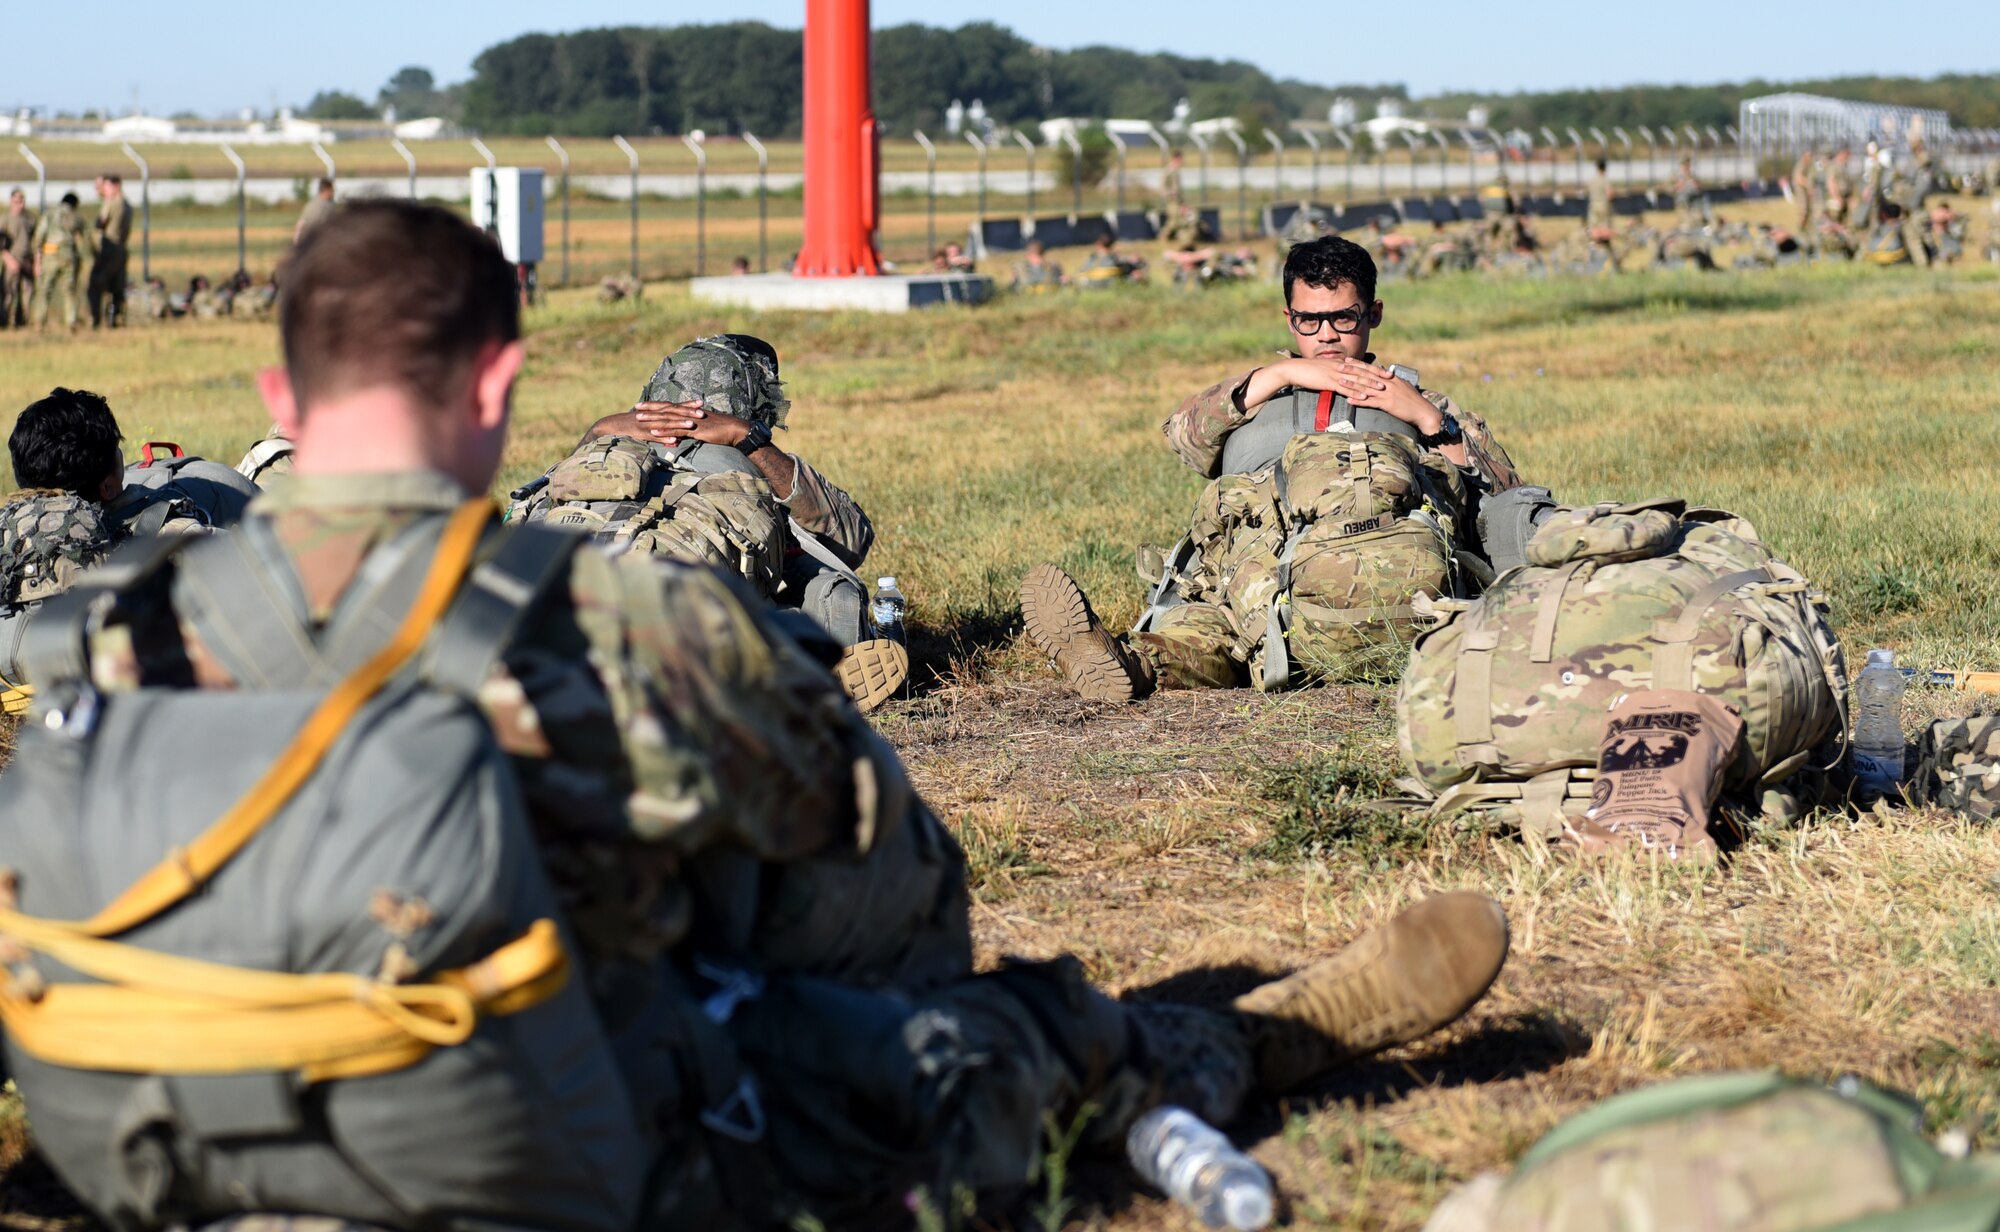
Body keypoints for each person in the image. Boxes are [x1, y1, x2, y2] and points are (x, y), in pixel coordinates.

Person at [0, 199, 1514, 1231]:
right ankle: (1204, 1050)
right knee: (921, 1029)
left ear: (279, 388)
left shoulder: (84, 639)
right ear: (501, 386)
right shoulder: (592, 619)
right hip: (519, 1156)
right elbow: (870, 862)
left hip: (156, 1141)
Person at [1020, 234, 1521, 702]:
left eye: (1344, 318)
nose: (1327, 336)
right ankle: (1129, 664)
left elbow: (1499, 498)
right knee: (1206, 631)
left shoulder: (1422, 403)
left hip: (1398, 593)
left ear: (1374, 313)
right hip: (1260, 593)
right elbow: (1183, 436)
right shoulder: (1258, 395)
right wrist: (1280, 374)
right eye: (1309, 321)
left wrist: (1429, 420)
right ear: (1289, 319)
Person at [530, 332, 909, 711]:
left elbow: (537, 501)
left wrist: (600, 430)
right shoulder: (743, 464)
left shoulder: (604, 446)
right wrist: (749, 440)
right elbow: (849, 539)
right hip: (675, 626)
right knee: (832, 587)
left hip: (552, 614)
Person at [29, 190, 88, 331]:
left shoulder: (49, 214)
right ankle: (71, 321)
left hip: (50, 254)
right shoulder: (75, 215)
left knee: (45, 289)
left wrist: (37, 258)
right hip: (68, 254)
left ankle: (39, 322)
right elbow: (84, 237)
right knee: (69, 290)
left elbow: (39, 236)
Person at [87, 172, 132, 328]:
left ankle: (96, 320)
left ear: (115, 186)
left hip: (109, 249)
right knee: (116, 287)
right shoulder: (126, 204)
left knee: (95, 286)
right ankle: (114, 319)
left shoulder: (112, 202)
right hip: (121, 249)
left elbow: (100, 222)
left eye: (105, 186)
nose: (102, 190)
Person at [1, 187, 34, 329]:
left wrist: (36, 262)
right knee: (9, 293)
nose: (19, 204)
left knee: (27, 293)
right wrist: (8, 259)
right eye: (16, 201)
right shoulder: (5, 219)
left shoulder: (30, 220)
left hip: (27, 259)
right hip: (12, 259)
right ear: (11, 202)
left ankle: (23, 321)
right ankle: (5, 321)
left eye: (21, 201)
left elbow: (36, 241)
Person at [294, 176, 335, 244]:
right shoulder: (319, 206)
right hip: (315, 243)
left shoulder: (328, 203)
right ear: (326, 190)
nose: (333, 192)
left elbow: (300, 224)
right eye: (332, 190)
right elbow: (301, 224)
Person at [1585, 158, 1614, 232]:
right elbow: (1609, 193)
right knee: (1604, 226)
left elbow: (1587, 191)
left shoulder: (1592, 179)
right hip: (1603, 205)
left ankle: (1594, 242)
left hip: (1593, 204)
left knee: (1593, 227)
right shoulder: (1605, 179)